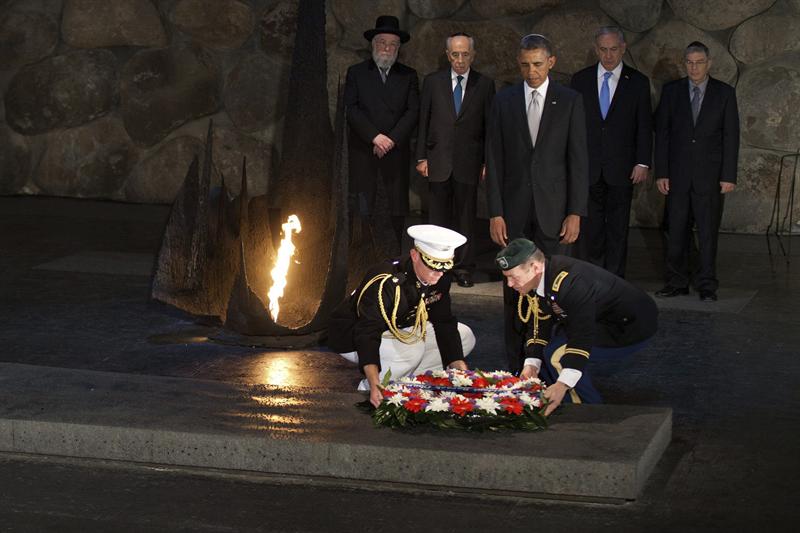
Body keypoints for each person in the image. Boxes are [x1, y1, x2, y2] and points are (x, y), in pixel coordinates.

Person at [484, 33, 589, 372]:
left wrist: (575, 212)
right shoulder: (504, 101)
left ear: (552, 63)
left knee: (555, 291)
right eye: (526, 65)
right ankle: (516, 366)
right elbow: (495, 161)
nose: (532, 72)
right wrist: (496, 212)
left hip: (554, 213)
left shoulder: (570, 101)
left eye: (538, 64)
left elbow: (578, 161)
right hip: (514, 215)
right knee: (515, 294)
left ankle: (553, 365)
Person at [495, 238, 658, 415]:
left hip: (630, 326)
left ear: (535, 267)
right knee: (549, 350)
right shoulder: (542, 275)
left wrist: (563, 384)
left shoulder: (570, 283)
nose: (510, 284)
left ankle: (586, 411)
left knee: (557, 355)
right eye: (507, 278)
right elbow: (541, 320)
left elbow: (582, 335)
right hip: (599, 318)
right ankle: (552, 397)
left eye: (513, 277)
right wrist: (532, 363)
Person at [328, 224, 475, 407]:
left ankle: (409, 378)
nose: (438, 274)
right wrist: (373, 381)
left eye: (443, 268)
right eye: (432, 266)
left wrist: (459, 365)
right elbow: (367, 331)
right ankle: (374, 387)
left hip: (400, 329)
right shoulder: (387, 279)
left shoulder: (440, 276)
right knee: (413, 349)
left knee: (465, 336)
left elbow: (443, 321)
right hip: (353, 335)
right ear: (415, 256)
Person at [654, 41, 740, 301]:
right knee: (676, 230)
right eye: (689, 62)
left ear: (709, 64)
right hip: (677, 176)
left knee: (707, 232)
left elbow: (731, 136)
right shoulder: (672, 92)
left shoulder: (724, 93)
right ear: (685, 63)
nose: (694, 67)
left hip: (710, 177)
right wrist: (662, 172)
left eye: (699, 62)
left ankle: (706, 284)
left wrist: (728, 175)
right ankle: (676, 282)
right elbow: (663, 134)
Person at [570, 26, 652, 278]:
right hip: (590, 167)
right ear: (596, 49)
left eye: (613, 49)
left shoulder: (637, 82)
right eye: (603, 50)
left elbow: (644, 125)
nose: (608, 56)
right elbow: (573, 125)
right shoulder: (580, 80)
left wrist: (642, 162)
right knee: (591, 228)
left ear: (623, 48)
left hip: (622, 168)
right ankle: (593, 276)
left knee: (617, 229)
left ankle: (615, 278)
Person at [416, 32, 496, 288]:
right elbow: (423, 121)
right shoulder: (432, 82)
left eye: (465, 54)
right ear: (447, 55)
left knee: (465, 218)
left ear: (473, 55)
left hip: (468, 162)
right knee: (437, 217)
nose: (460, 59)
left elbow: (489, 128)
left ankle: (463, 267)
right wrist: (421, 157)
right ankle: (435, 266)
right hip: (438, 160)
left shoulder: (484, 84)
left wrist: (486, 162)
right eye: (455, 54)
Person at [344, 15, 419, 248]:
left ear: (398, 48)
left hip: (395, 153)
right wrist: (375, 137)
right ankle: (361, 253)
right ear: (373, 44)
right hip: (364, 151)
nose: (387, 48)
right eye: (382, 42)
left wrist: (391, 139)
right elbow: (351, 108)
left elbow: (413, 111)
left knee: (395, 207)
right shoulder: (356, 73)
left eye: (392, 44)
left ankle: (393, 254)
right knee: (363, 205)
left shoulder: (408, 75)